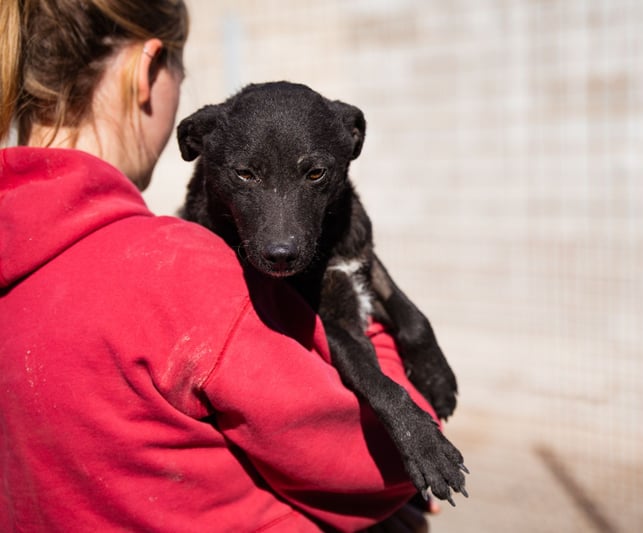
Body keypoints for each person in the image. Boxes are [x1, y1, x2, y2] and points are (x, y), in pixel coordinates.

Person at [0, 1, 445, 531]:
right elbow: (381, 466)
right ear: (148, 71)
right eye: (181, 74)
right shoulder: (190, 275)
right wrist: (385, 341)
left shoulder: (23, 263)